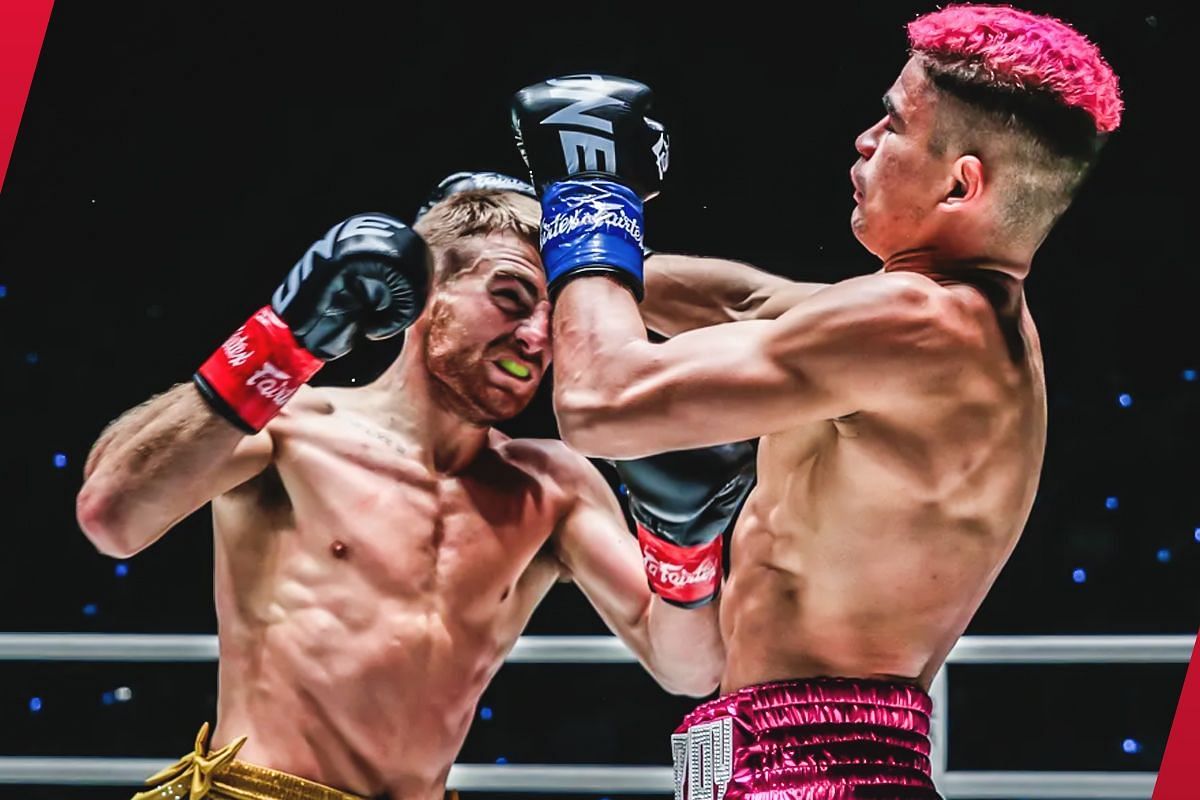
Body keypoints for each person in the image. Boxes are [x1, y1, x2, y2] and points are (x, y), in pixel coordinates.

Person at [509, 4, 1122, 797]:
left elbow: (601, 401)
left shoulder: (918, 323)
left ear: (960, 183)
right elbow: (747, 305)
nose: (865, 140)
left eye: (893, 124)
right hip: (786, 761)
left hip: (815, 772)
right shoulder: (956, 323)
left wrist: (590, 196)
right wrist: (545, 237)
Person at [75, 181, 747, 800]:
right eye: (510, 297)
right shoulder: (293, 429)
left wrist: (683, 537)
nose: (537, 338)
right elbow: (113, 514)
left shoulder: (553, 486)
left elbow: (686, 668)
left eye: (555, 317)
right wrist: (280, 340)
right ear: (428, 293)